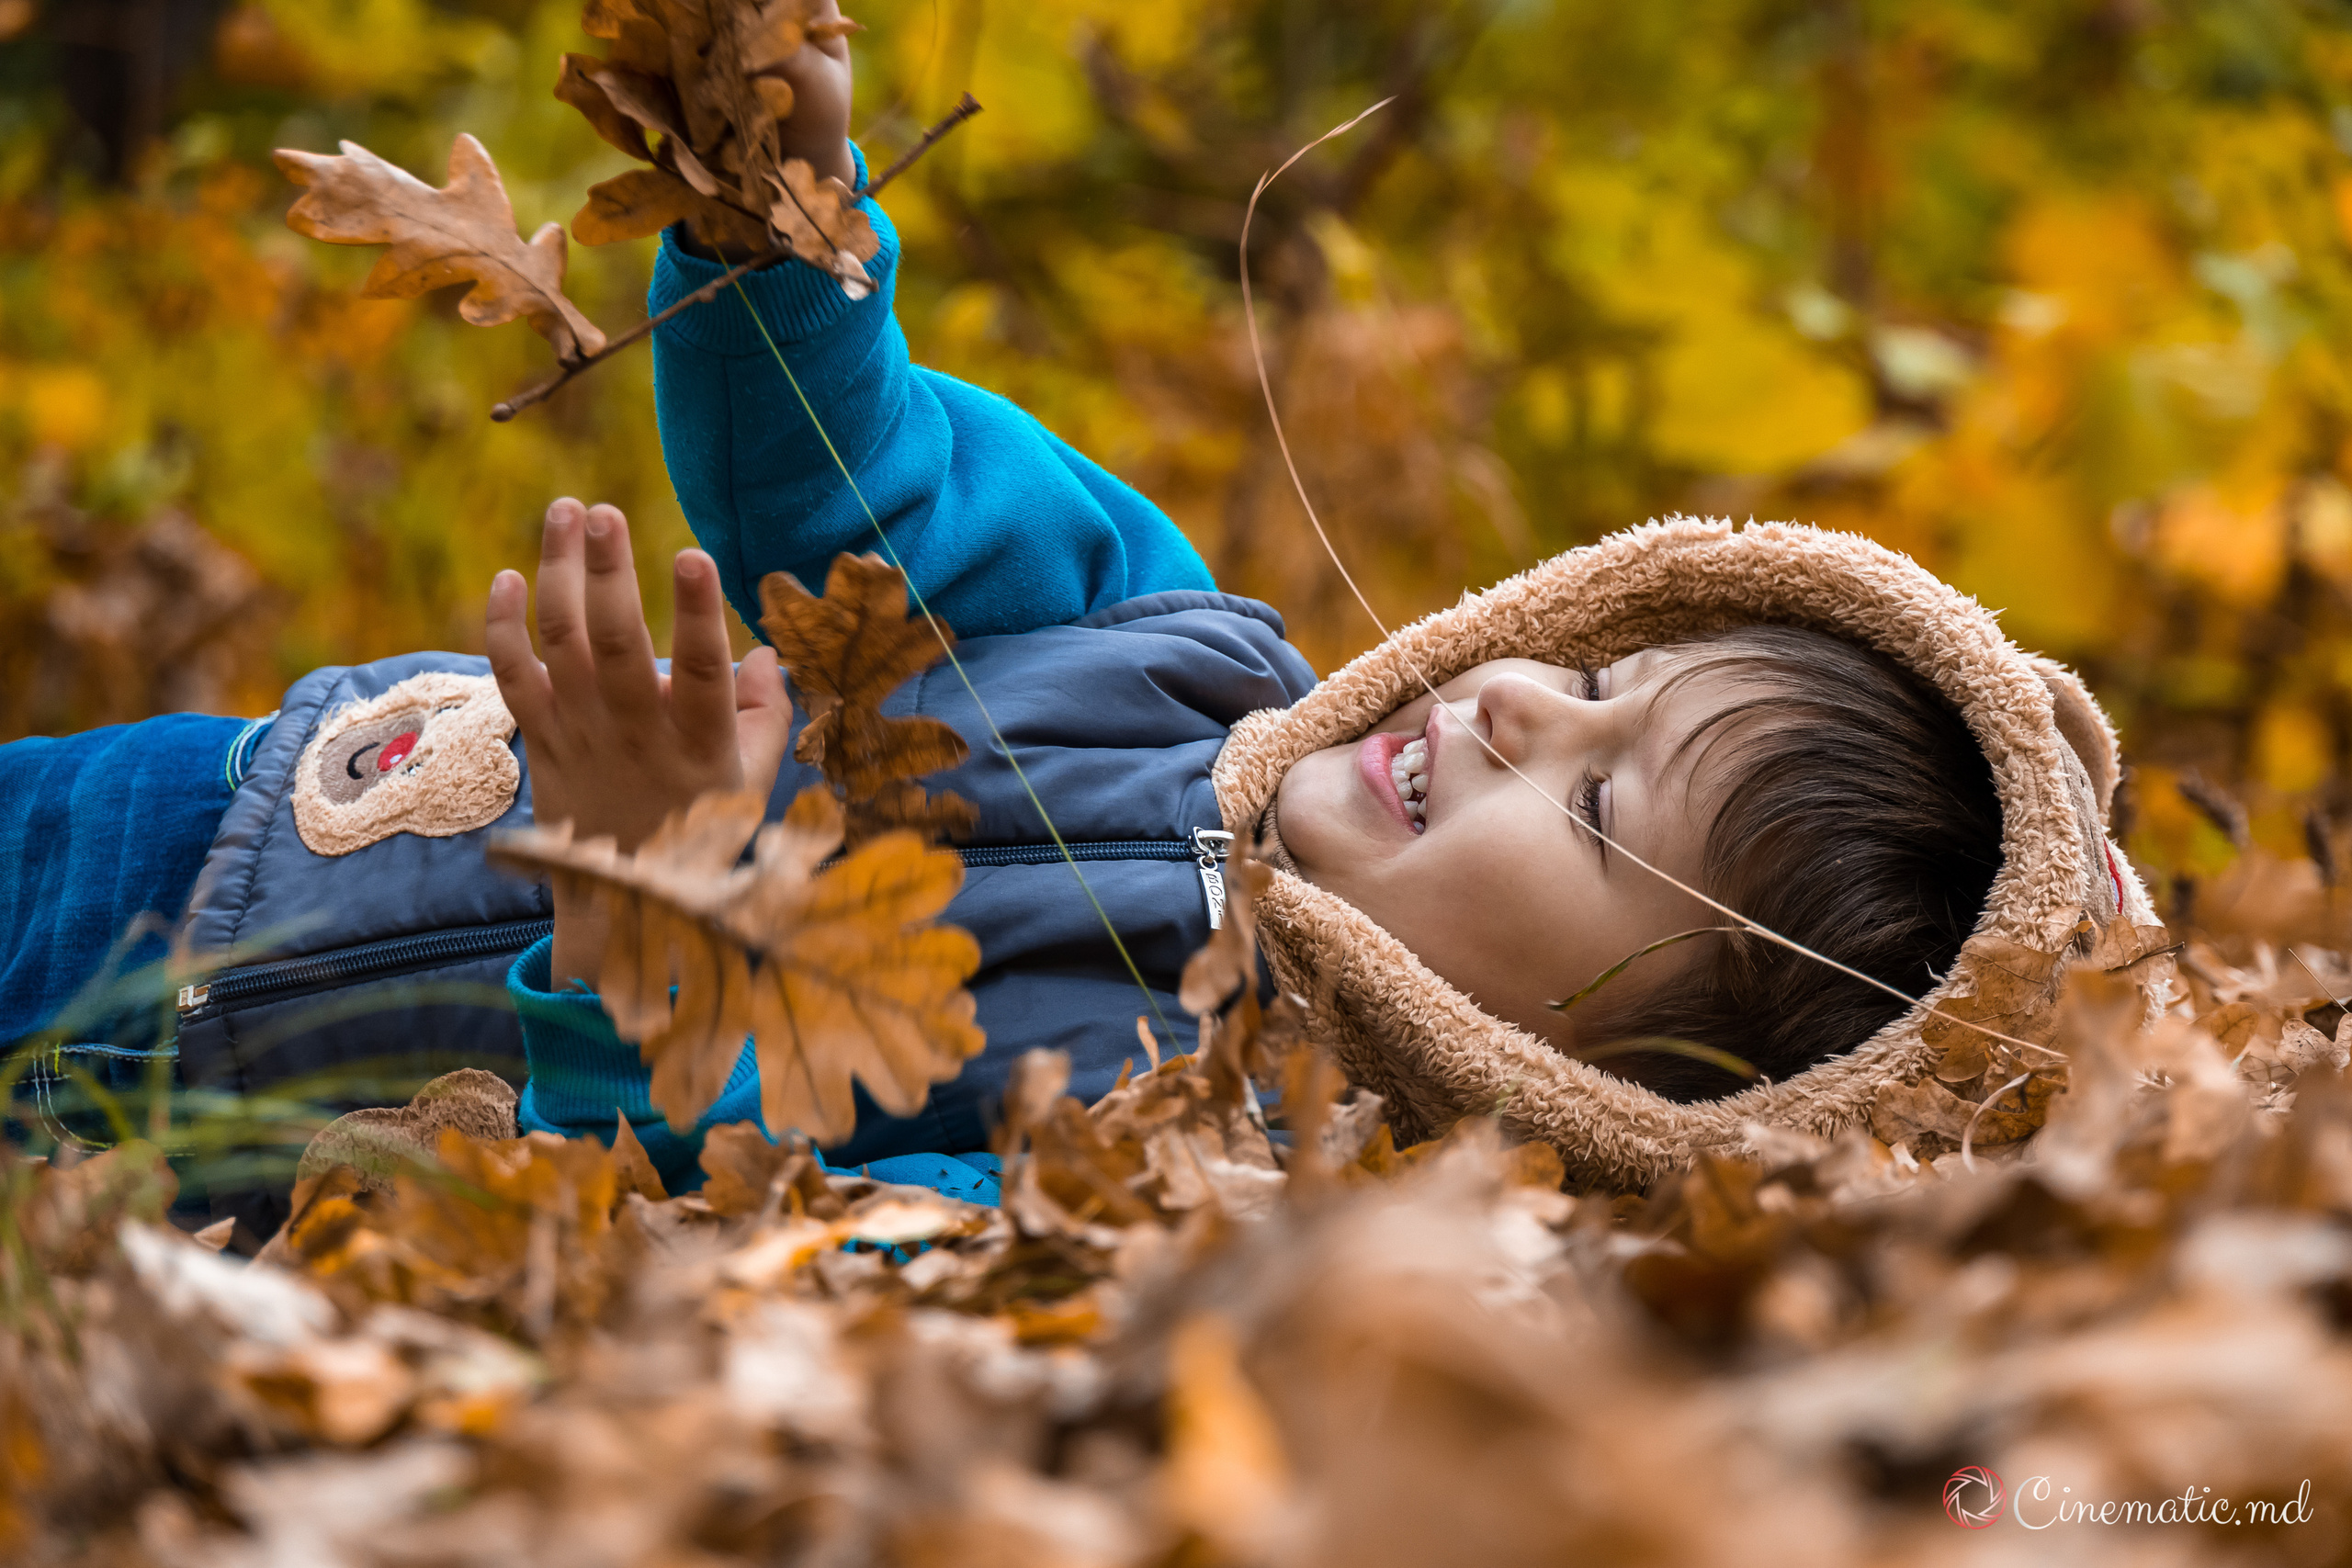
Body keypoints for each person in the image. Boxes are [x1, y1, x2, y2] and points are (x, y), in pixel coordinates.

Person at [0, 28, 2161, 1224]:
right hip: (173, 830)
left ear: (1617, 1083)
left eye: (1602, 812)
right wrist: (783, 229)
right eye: (1592, 675)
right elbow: (850, 485)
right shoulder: (1177, 638)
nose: (1514, 707)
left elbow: (699, 1237)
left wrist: (660, 924)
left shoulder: (1166, 1164)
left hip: (207, 1175)